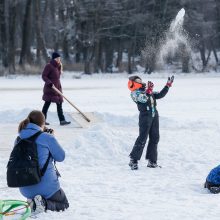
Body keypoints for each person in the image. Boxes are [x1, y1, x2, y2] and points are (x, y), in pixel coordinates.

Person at [17, 110, 69, 213]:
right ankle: (43, 204)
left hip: (24, 188)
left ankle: (34, 201)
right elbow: (61, 157)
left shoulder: (18, 139)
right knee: (64, 204)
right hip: (46, 187)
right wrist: (52, 138)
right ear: (43, 123)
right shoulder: (47, 137)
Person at [128, 75, 174, 170]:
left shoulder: (147, 91)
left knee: (155, 137)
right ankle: (133, 160)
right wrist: (148, 91)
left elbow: (160, 94)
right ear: (133, 83)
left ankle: (152, 161)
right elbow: (143, 99)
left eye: (141, 80)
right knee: (142, 138)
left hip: (154, 116)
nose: (140, 82)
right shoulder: (135, 93)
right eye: (138, 81)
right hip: (145, 117)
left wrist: (167, 85)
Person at [42, 52, 71, 126]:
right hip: (50, 88)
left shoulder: (58, 66)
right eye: (57, 58)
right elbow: (44, 76)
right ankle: (42, 121)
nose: (58, 60)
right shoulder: (49, 66)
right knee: (47, 104)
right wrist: (49, 83)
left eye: (59, 58)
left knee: (59, 104)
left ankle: (62, 120)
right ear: (54, 59)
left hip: (57, 88)